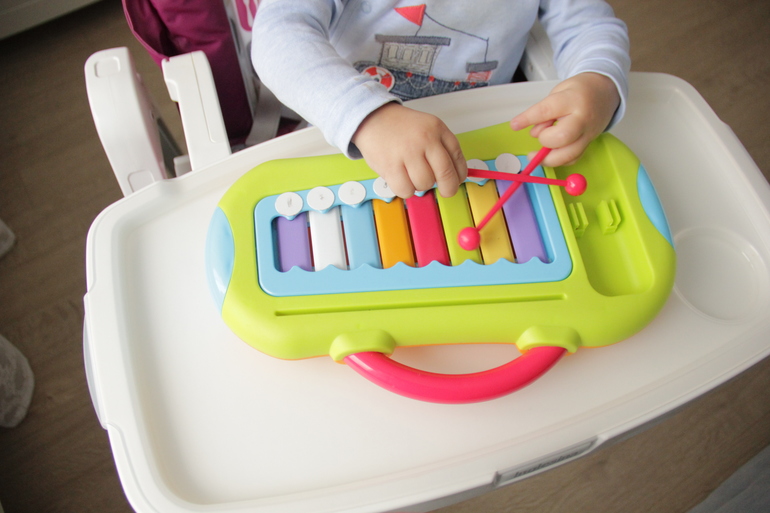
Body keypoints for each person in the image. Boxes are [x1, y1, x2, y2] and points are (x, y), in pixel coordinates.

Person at [251, 0, 629, 199]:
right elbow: (277, 33)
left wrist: (598, 82)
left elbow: (590, 26)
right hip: (349, 136)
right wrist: (367, 117)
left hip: (475, 149)